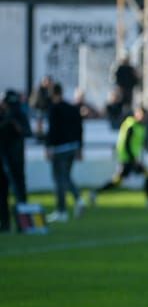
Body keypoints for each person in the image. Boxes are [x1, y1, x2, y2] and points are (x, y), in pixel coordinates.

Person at [91, 106, 148, 208]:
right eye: (143, 116)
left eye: (146, 116)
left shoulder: (141, 127)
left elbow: (143, 141)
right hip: (126, 158)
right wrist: (133, 158)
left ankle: (95, 193)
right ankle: (95, 193)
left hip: (132, 158)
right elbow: (126, 144)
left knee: (120, 180)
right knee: (120, 180)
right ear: (137, 114)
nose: (145, 118)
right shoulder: (130, 125)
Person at [44, 83, 85, 221]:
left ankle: (61, 211)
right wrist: (80, 147)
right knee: (66, 176)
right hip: (72, 147)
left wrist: (48, 147)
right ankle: (78, 199)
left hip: (59, 148)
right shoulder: (72, 108)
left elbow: (52, 130)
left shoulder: (54, 109)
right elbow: (80, 129)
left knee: (59, 180)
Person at [0, 90, 33, 232]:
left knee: (19, 192)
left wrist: (14, 124)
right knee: (2, 193)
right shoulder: (2, 116)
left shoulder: (19, 115)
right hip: (3, 159)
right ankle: (5, 223)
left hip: (17, 160)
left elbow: (27, 132)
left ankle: (23, 224)